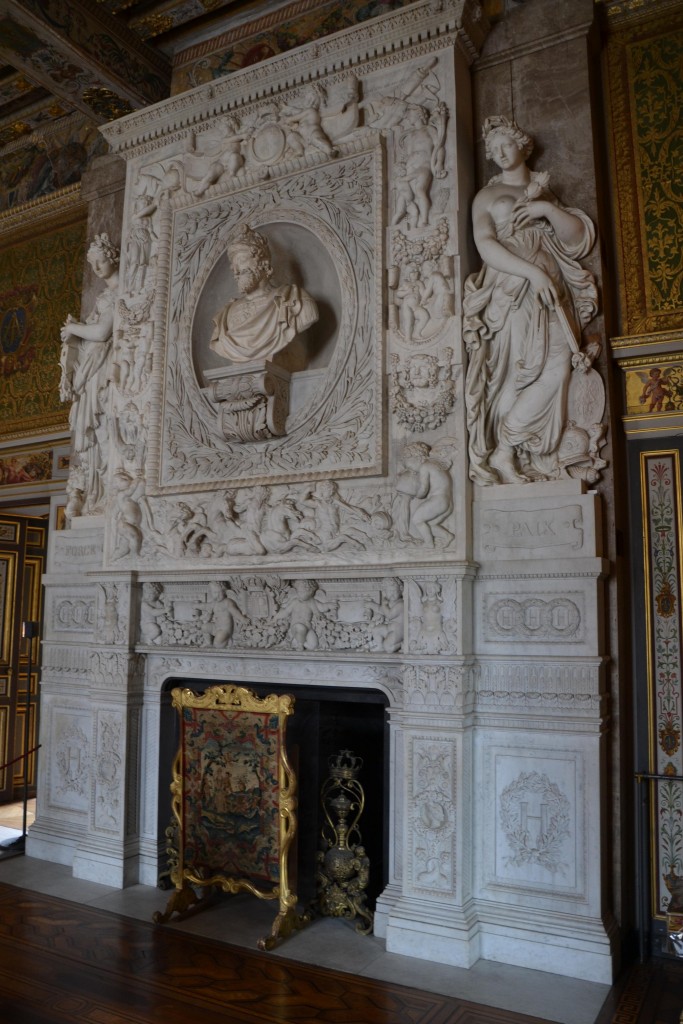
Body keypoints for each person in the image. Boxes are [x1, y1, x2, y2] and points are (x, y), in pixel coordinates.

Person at [463, 116, 598, 484]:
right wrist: (532, 273)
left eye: (505, 144)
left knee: (559, 367)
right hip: (512, 291)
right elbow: (486, 244)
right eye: (492, 150)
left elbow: (576, 240)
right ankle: (505, 454)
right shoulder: (487, 197)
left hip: (553, 290)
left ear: (523, 145)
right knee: (518, 375)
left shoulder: (545, 194)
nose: (499, 154)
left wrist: (547, 210)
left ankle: (507, 447)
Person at [60, 233, 120, 513]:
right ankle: (92, 493)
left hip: (104, 370)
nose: (96, 268)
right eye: (93, 263)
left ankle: (106, 491)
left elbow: (102, 332)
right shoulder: (103, 295)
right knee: (93, 434)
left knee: (102, 427)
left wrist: (74, 329)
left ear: (113, 258)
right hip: (91, 371)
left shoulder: (118, 293)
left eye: (100, 261)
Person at [210, 224, 318, 363]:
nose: (235, 271)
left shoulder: (295, 300)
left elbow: (309, 316)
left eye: (241, 261)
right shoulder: (226, 313)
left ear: (263, 263)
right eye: (233, 265)